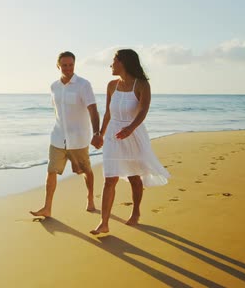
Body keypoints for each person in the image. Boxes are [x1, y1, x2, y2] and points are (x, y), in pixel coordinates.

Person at [90, 49, 170, 235]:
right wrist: (100, 133)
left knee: (135, 177)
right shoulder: (111, 85)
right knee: (109, 178)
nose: (111, 65)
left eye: (114, 61)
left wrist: (130, 129)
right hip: (113, 136)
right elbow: (109, 113)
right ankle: (104, 223)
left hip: (133, 135)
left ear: (123, 63)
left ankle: (135, 212)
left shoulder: (142, 85)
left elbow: (143, 110)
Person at [30, 51, 102, 218]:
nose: (68, 68)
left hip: (78, 138)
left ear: (74, 65)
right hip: (57, 137)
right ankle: (47, 207)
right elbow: (57, 111)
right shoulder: (53, 86)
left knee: (85, 170)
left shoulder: (84, 85)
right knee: (51, 171)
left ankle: (90, 198)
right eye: (64, 65)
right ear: (58, 66)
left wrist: (97, 132)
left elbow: (93, 110)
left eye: (71, 65)